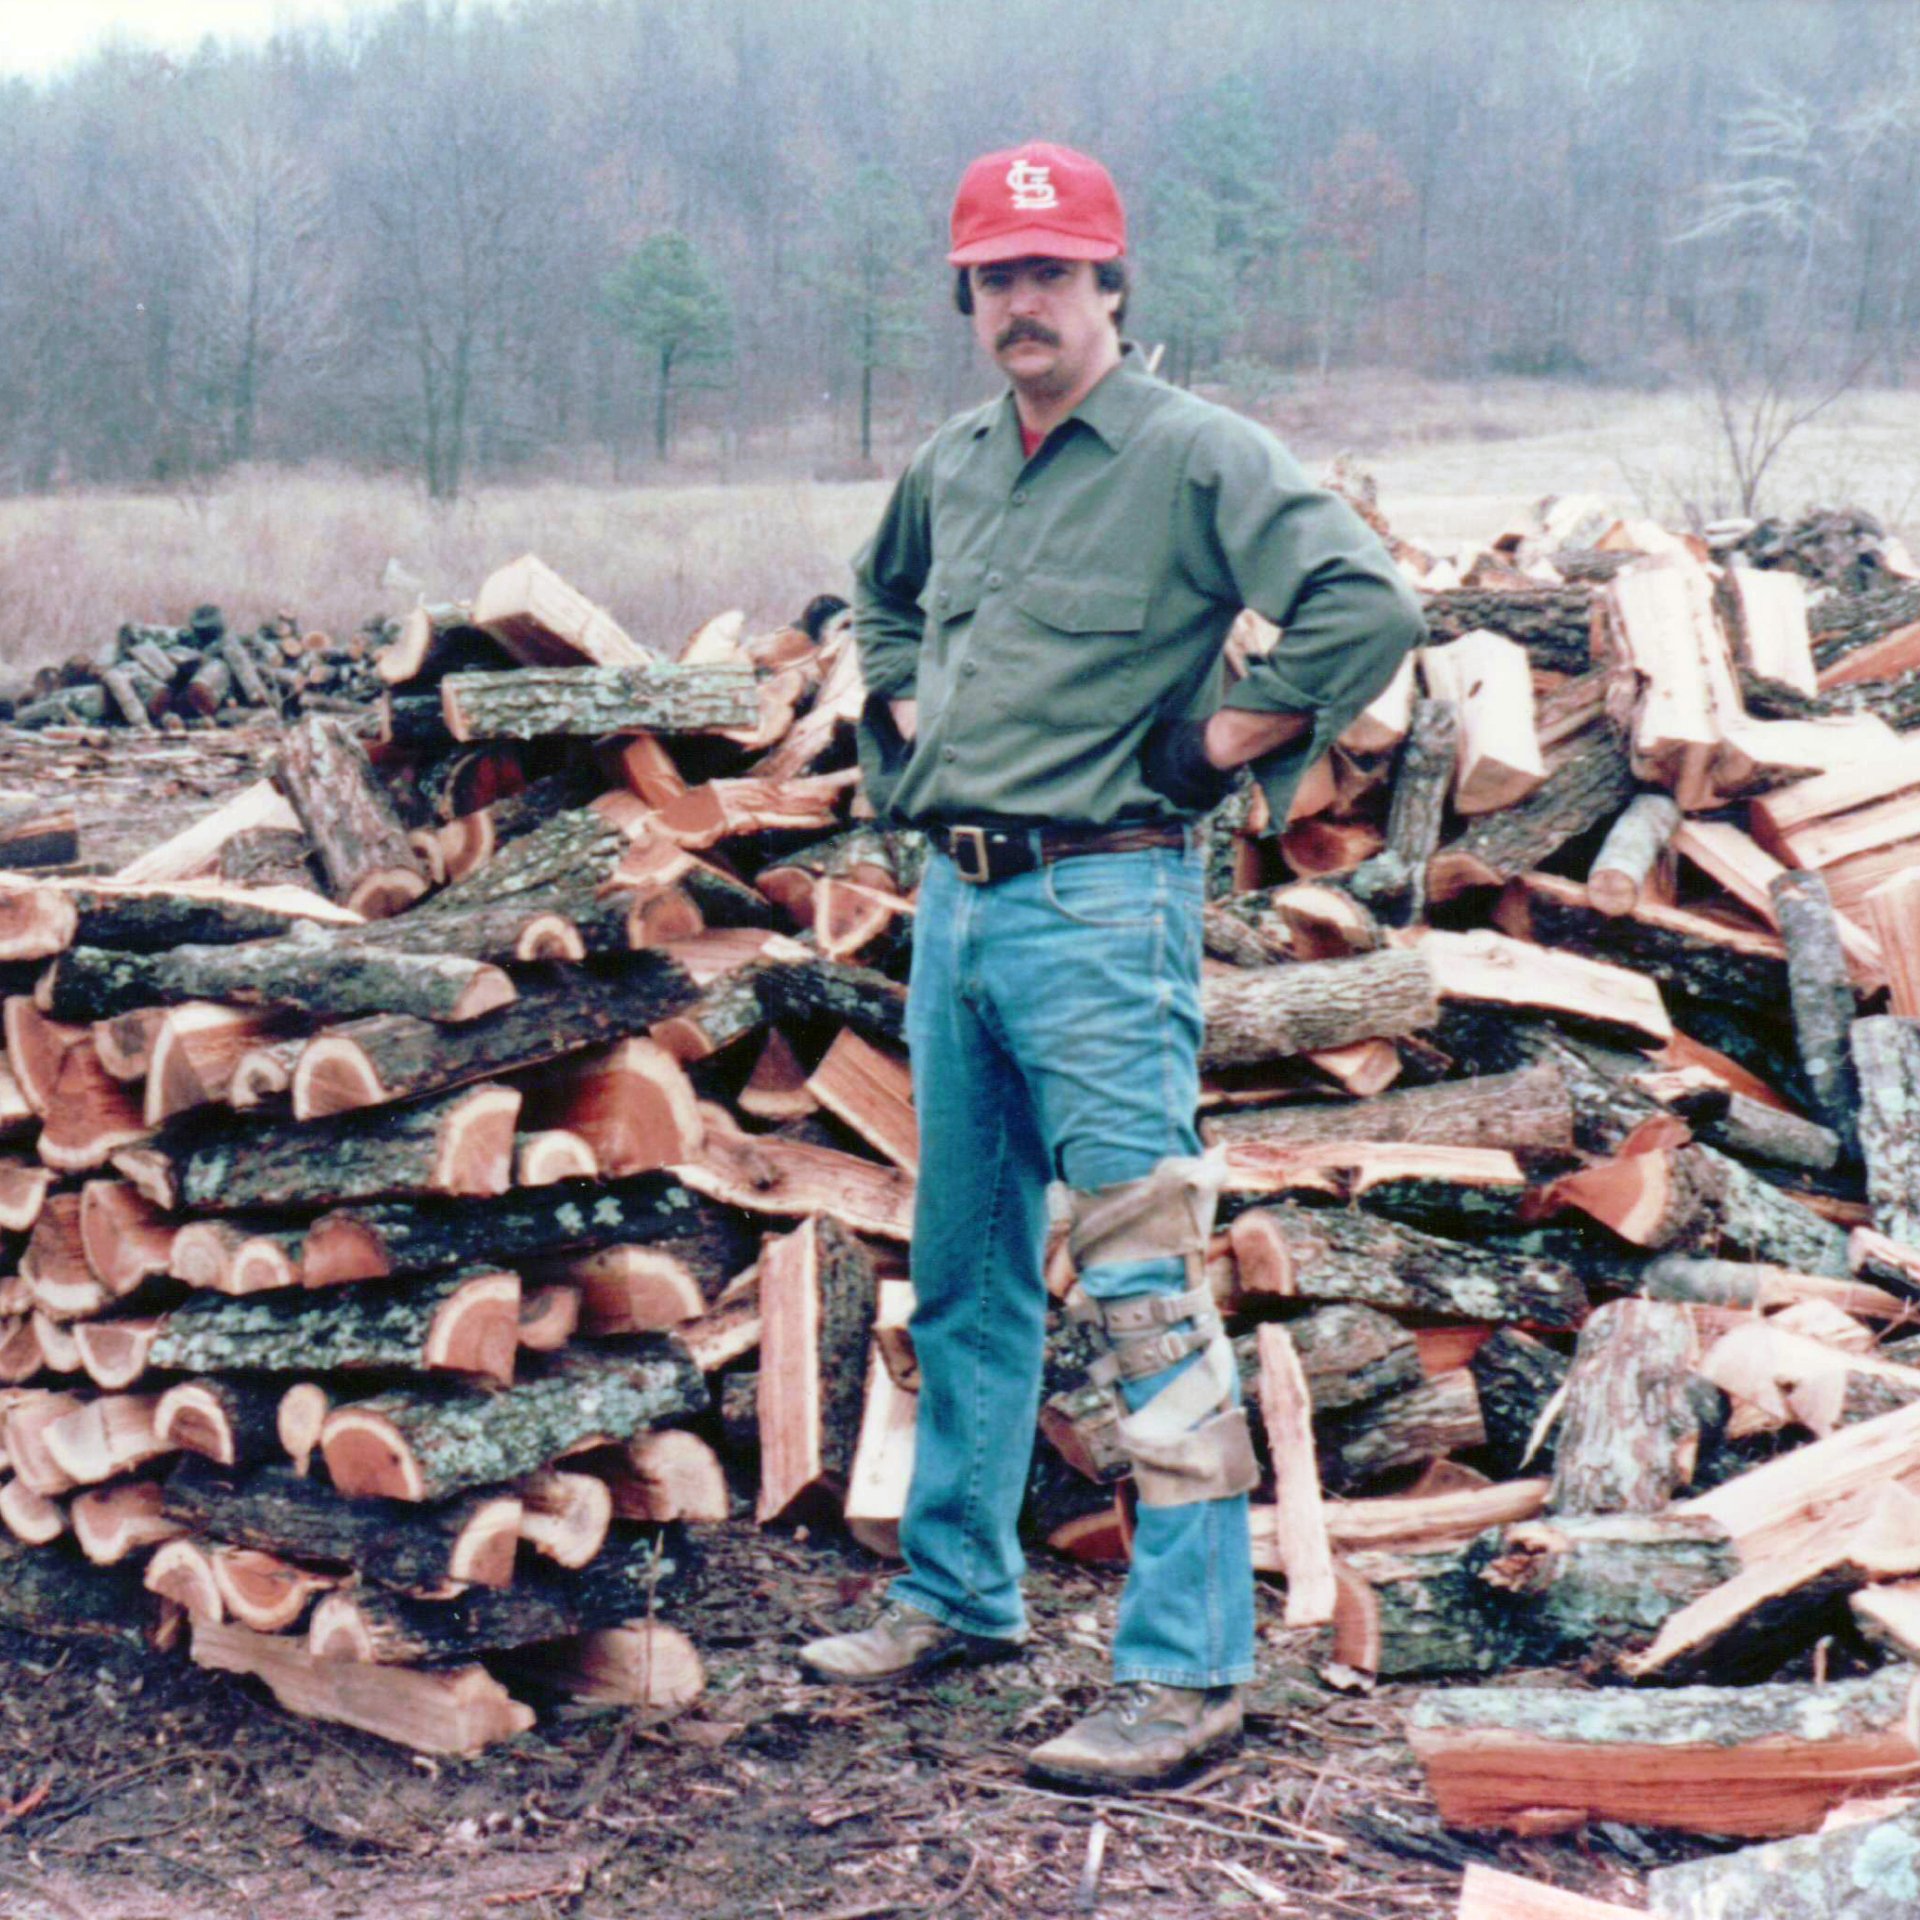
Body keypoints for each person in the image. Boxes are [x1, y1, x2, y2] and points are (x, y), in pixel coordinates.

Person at [798, 139, 1425, 1790]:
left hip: (1104, 907)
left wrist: (1222, 739)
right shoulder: (949, 465)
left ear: (1111, 288)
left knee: (1144, 1283)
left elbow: (1366, 608)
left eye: (1054, 274)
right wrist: (905, 708)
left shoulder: (1197, 455)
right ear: (968, 297)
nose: (1025, 303)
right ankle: (959, 1593)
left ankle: (1188, 1673)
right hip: (961, 908)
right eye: (997, 279)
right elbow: (876, 605)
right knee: (966, 1270)